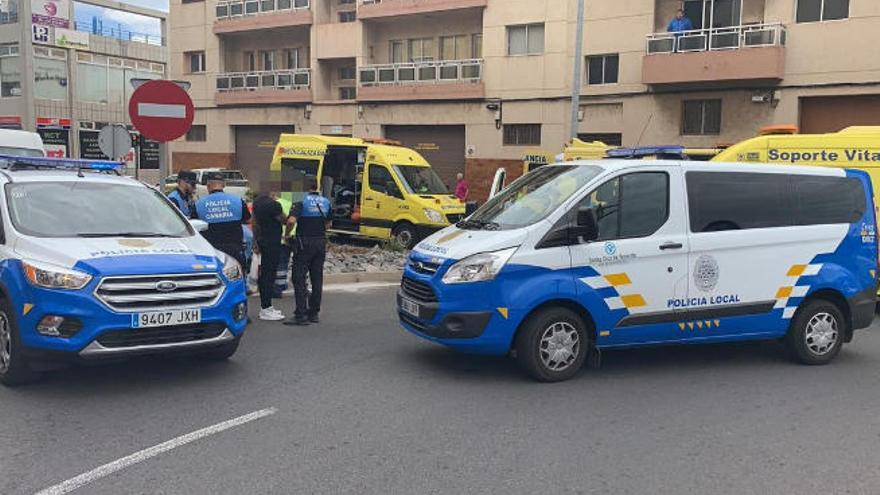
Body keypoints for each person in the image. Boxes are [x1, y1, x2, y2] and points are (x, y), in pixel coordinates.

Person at [284, 178, 331, 326]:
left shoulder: (301, 201)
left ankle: (301, 314)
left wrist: (287, 234)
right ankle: (314, 313)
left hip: (304, 243)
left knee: (298, 277)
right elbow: (328, 224)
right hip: (320, 242)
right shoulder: (325, 202)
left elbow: (291, 221)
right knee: (317, 278)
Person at [194, 171, 251, 269]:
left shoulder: (199, 204)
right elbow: (248, 220)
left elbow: (194, 225)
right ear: (224, 185)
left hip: (211, 252)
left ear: (208, 185)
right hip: (234, 251)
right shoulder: (237, 201)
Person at [252, 191, 286, 321]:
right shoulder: (274, 205)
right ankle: (266, 308)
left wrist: (255, 241)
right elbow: (284, 220)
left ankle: (267, 306)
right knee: (269, 274)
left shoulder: (257, 203)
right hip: (273, 242)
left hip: (262, 241)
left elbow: (254, 223)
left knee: (264, 273)